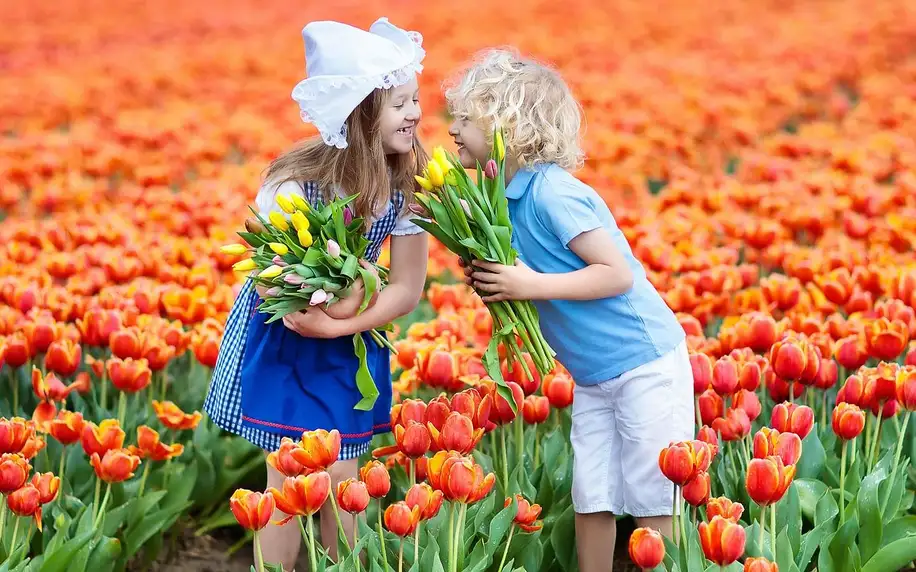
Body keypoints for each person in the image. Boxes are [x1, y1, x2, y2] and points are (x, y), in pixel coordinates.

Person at [444, 49, 692, 572]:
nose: (452, 129)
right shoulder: (499, 199)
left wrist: (529, 282)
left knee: (655, 490)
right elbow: (530, 275)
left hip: (643, 361)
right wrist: (498, 279)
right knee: (591, 489)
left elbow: (617, 273)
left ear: (509, 124)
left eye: (466, 118)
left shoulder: (553, 193)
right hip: (594, 373)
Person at [203, 17, 429, 570]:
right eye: (401, 104)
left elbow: (406, 288)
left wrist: (343, 321)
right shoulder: (293, 184)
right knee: (286, 476)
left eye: (415, 100)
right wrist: (330, 309)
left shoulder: (408, 186)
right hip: (285, 335)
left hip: (346, 341)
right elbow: (278, 279)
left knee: (343, 475)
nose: (416, 114)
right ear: (361, 113)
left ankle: (341, 565)